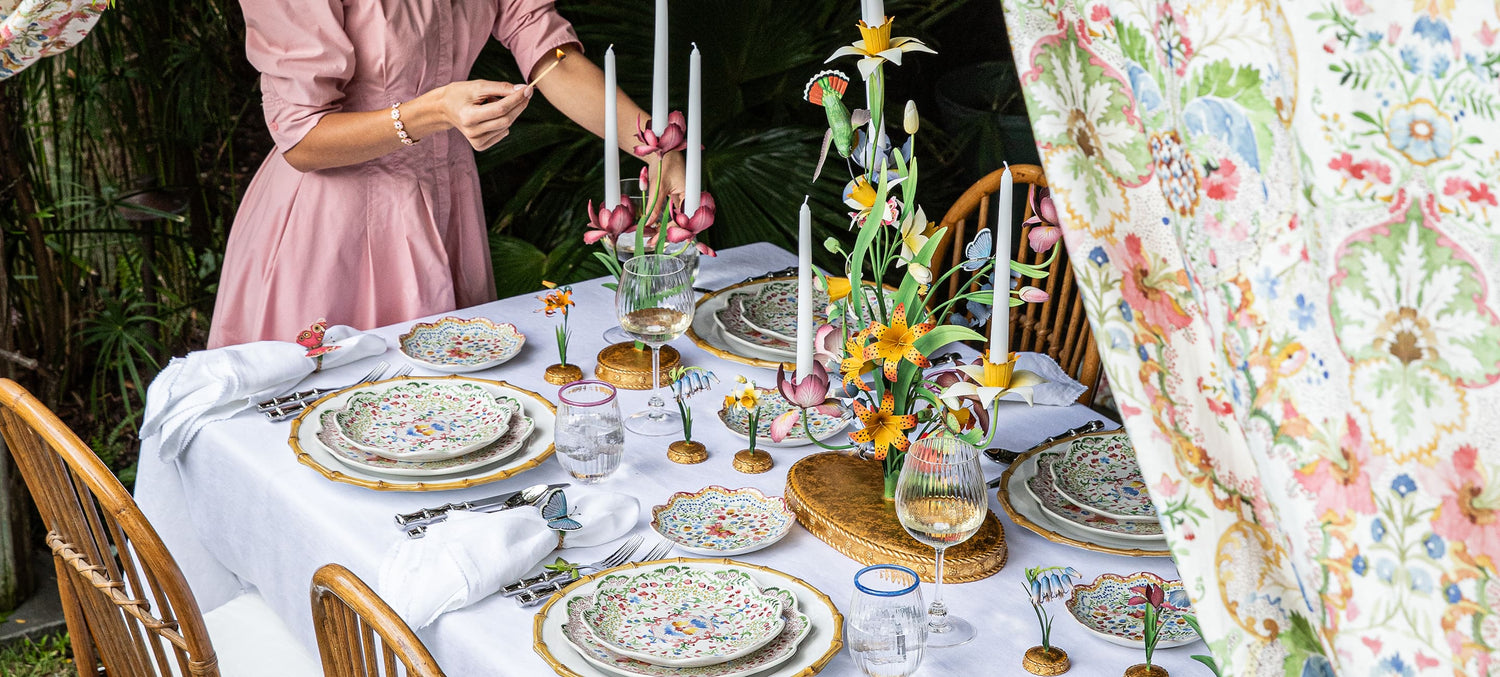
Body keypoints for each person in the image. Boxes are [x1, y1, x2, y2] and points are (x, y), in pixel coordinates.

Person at [209, 0, 683, 347]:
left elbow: (542, 42)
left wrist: (657, 149)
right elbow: (302, 137)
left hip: (447, 205)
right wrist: (433, 112)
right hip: (334, 226)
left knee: (452, 424)